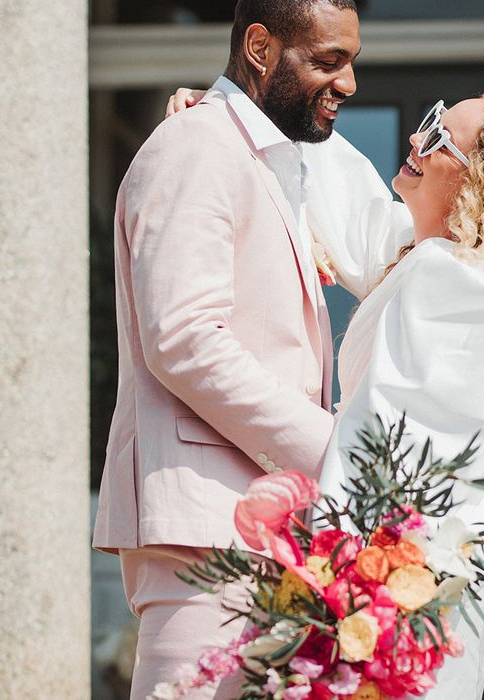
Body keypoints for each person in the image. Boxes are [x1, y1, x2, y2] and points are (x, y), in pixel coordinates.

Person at [168, 73, 484, 700]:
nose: (416, 137)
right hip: (403, 590)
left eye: (439, 137)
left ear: (477, 181)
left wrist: (329, 596)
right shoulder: (431, 261)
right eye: (432, 117)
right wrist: (227, 120)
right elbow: (352, 206)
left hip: (391, 596)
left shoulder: (462, 286)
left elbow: (396, 454)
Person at [91, 1, 363, 698]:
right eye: (328, 62)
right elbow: (184, 340)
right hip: (206, 532)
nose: (350, 83)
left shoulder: (263, 160)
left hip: (257, 529)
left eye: (351, 62)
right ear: (261, 47)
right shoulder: (195, 147)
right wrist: (334, 451)